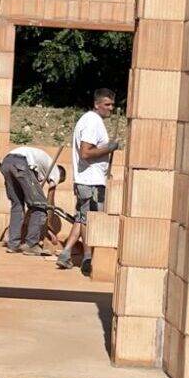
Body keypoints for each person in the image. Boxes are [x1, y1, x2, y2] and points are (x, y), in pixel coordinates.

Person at [57, 89, 123, 271]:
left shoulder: (90, 120)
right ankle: (87, 258)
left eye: (112, 104)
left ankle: (66, 252)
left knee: (82, 217)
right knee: (90, 220)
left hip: (88, 179)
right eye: (107, 104)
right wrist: (109, 148)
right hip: (90, 181)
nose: (111, 108)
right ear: (96, 104)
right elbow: (85, 152)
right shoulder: (92, 122)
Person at [0, 145, 63, 255]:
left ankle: (13, 244)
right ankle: (31, 244)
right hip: (21, 163)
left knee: (17, 204)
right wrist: (49, 219)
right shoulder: (56, 172)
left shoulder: (40, 167)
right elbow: (49, 199)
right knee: (40, 206)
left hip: (6, 163)